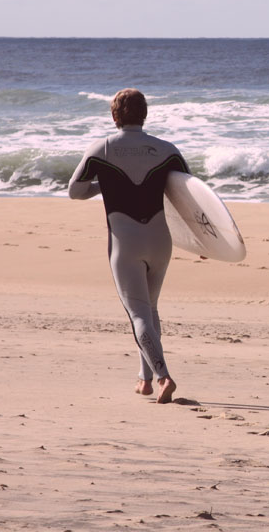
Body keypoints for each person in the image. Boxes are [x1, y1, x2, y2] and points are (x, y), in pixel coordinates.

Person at [68, 88, 190, 404]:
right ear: (145, 114)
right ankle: (144, 379)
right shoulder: (166, 149)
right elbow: (189, 197)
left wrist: (104, 185)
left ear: (114, 116)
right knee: (149, 309)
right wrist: (202, 240)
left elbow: (75, 191)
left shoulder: (103, 148)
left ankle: (163, 376)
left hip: (126, 243)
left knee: (137, 312)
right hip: (161, 242)